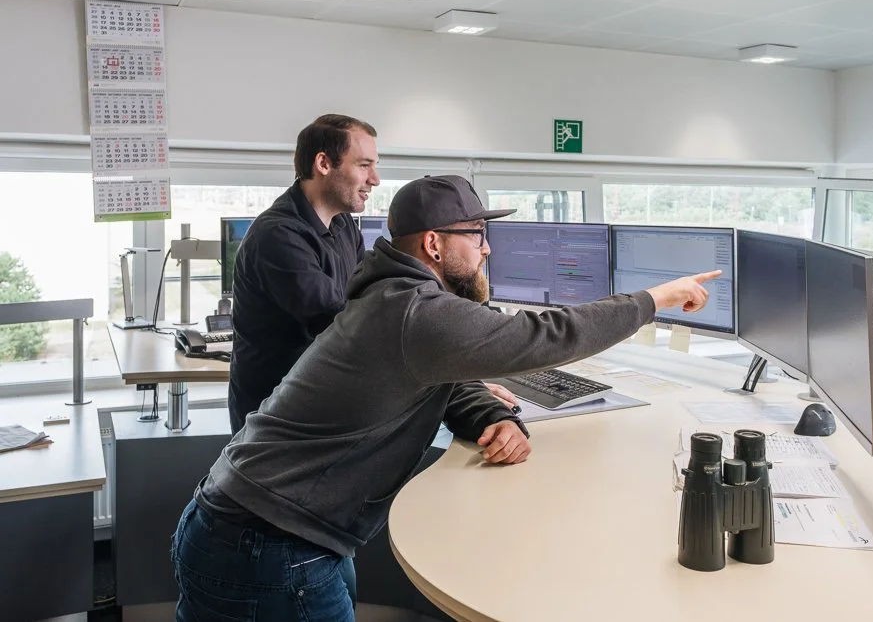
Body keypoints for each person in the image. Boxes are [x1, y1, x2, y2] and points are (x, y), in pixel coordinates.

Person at [172, 175, 721, 622]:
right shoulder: (415, 311)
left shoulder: (394, 298)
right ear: (433, 244)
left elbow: (446, 375)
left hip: (255, 526)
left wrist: (493, 415)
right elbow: (547, 335)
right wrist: (655, 299)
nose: (487, 248)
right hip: (269, 546)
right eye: (476, 234)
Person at [226, 114, 378, 432]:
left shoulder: (344, 226)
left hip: (321, 405)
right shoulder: (277, 235)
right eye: (364, 165)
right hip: (274, 422)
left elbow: (368, 298)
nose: (374, 179)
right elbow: (342, 323)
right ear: (323, 163)